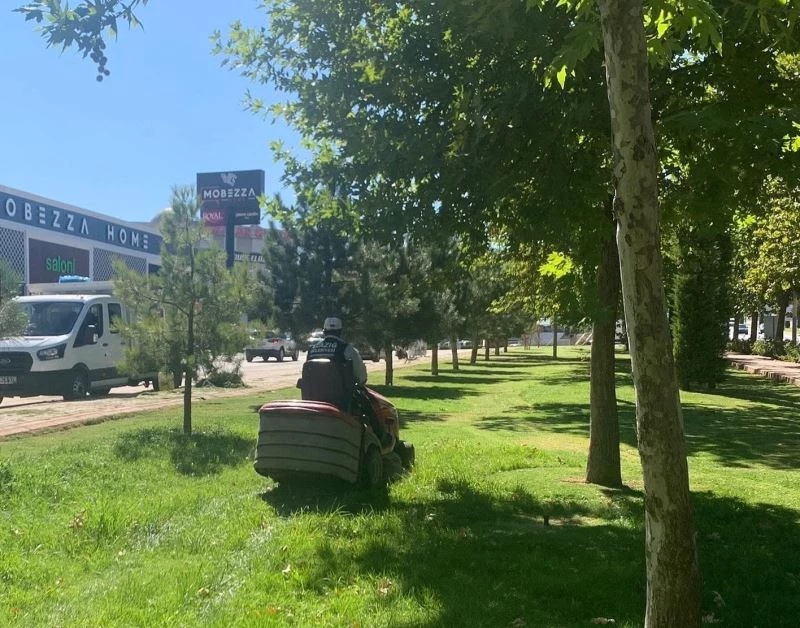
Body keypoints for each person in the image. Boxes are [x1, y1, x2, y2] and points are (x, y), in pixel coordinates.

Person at [306, 316, 393, 449]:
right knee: (370, 404)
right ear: (340, 332)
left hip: (313, 399)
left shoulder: (312, 351)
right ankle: (381, 437)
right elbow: (362, 378)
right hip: (342, 401)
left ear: (324, 331)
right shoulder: (347, 350)